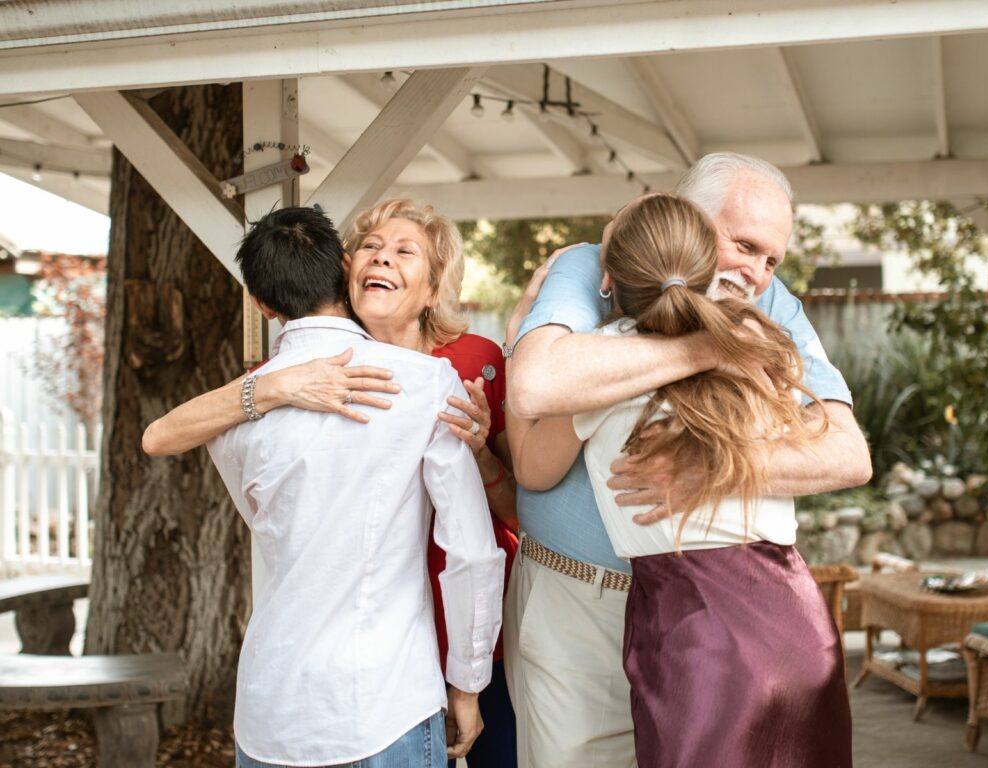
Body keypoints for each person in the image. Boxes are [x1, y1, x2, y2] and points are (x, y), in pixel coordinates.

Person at [502, 153, 873, 767]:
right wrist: (708, 347)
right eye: (745, 245)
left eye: (772, 259)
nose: (757, 275)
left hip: (708, 624)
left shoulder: (771, 304)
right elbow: (537, 387)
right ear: (687, 217)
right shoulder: (590, 265)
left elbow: (847, 452)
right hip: (581, 604)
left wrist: (710, 469)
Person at [143, 199, 520, 768]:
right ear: (343, 269)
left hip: (274, 701)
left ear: (259, 303)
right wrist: (467, 687)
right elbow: (472, 553)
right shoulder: (427, 385)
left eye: (402, 251)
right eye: (372, 247)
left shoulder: (235, 413)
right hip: (386, 694)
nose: (383, 259)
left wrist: (267, 390)